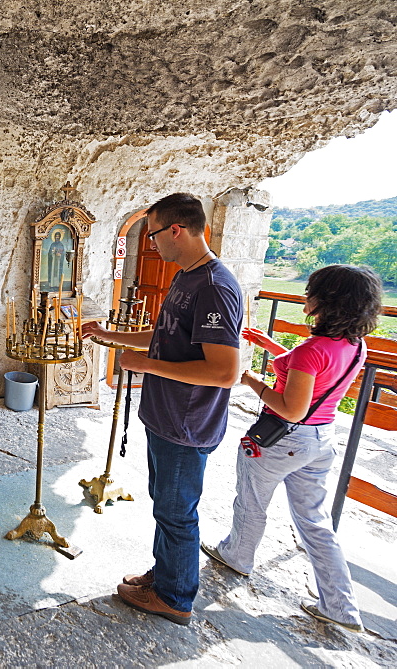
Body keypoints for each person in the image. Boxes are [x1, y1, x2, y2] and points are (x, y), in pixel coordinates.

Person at [82, 193, 243, 625]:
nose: (150, 244)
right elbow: (163, 335)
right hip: (166, 415)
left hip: (186, 423)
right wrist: (111, 335)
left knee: (176, 511)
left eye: (152, 234)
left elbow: (225, 371)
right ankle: (165, 574)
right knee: (164, 504)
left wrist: (145, 366)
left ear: (176, 230)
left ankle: (176, 597)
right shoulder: (186, 276)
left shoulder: (214, 287)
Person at [203, 264, 381, 633]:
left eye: (312, 289)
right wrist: (277, 350)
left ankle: (237, 556)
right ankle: (340, 607)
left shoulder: (310, 351)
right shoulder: (355, 344)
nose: (306, 294)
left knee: (251, 501)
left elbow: (291, 407)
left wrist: (249, 379)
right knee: (315, 522)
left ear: (327, 300)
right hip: (321, 440)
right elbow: (319, 377)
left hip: (283, 441)